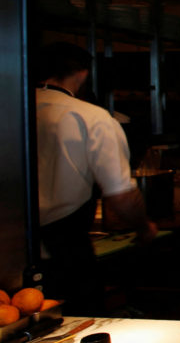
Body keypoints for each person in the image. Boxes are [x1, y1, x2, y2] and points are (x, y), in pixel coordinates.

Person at [34, 42, 158, 314]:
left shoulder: (13, 109)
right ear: (82, 74)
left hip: (11, 251)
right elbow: (121, 195)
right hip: (63, 251)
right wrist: (143, 226)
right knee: (76, 327)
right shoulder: (90, 117)